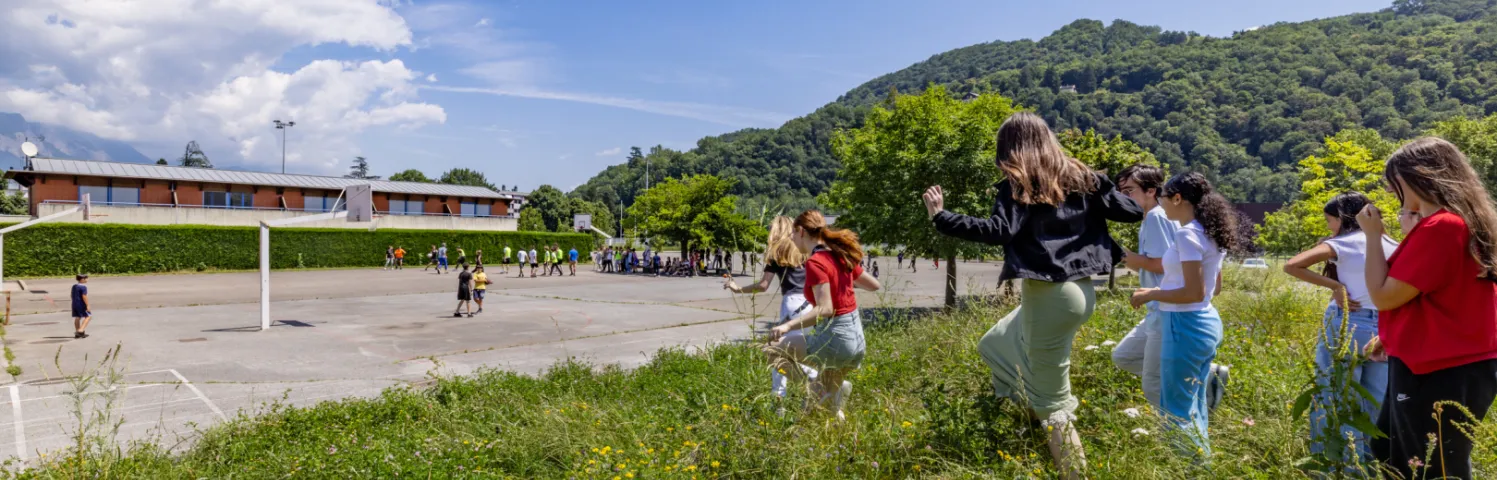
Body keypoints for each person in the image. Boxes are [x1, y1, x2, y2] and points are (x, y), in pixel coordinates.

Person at [924, 112, 1143, 478]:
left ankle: (1070, 465)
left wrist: (941, 216)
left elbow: (998, 231)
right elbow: (1132, 211)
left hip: (1049, 298)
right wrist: (1100, 182)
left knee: (1053, 406)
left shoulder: (1019, 183)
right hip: (1082, 293)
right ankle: (1030, 411)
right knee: (996, 342)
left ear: (1008, 148)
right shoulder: (1081, 178)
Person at [1359, 137, 1497, 480]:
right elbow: (1437, 294)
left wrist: (1373, 236)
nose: (1393, 193)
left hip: (1438, 369)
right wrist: (1393, 335)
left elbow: (1383, 296)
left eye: (1397, 183)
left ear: (1421, 178)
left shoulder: (1442, 227)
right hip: (1450, 362)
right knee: (1392, 450)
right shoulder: (1463, 222)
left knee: (1427, 467)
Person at [1284, 192, 1399, 461]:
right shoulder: (1392, 243)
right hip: (1384, 327)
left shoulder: (1345, 243)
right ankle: (1367, 466)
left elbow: (1292, 265)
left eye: (1330, 221)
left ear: (1342, 219)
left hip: (1348, 322)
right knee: (1374, 404)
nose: (1328, 227)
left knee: (1333, 398)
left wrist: (1335, 286)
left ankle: (1333, 464)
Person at [1128, 172, 1235, 459]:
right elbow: (1213, 288)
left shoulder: (1188, 234)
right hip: (1204, 322)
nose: (1161, 203)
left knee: (1176, 408)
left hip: (1184, 324)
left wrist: (1151, 294)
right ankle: (1201, 462)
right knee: (1194, 403)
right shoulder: (1208, 231)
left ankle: (1190, 468)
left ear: (1177, 198)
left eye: (1163, 197)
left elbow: (1192, 292)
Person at [1111, 165, 1229, 412]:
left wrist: (1126, 257)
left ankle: (1178, 430)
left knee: (1155, 383)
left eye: (1129, 190)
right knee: (1124, 356)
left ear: (1152, 191)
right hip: (1166, 308)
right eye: (1120, 191)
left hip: (1170, 309)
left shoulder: (1158, 217)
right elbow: (1179, 266)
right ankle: (1202, 380)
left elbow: (1165, 266)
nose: (1123, 197)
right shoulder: (1185, 224)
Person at [765, 211, 881, 421]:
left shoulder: (816, 262)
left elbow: (825, 309)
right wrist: (839, 281)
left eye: (793, 232)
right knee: (827, 410)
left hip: (835, 341)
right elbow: (874, 285)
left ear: (801, 231)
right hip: (855, 341)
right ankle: (839, 430)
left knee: (772, 351)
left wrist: (787, 326)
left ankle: (811, 383)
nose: (791, 238)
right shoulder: (839, 255)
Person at [725, 216, 820, 408]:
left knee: (776, 353)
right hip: (812, 303)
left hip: (792, 303)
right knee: (803, 351)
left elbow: (763, 285)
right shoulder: (806, 251)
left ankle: (783, 398)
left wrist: (738, 289)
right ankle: (816, 385)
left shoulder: (777, 252)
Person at [72, 274, 92, 339]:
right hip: (81, 304)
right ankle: (81, 330)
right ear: (82, 279)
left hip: (75, 303)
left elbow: (72, 295)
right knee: (88, 316)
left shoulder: (74, 286)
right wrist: (87, 305)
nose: (87, 280)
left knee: (78, 317)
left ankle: (77, 332)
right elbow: (84, 296)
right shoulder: (83, 287)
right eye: (86, 278)